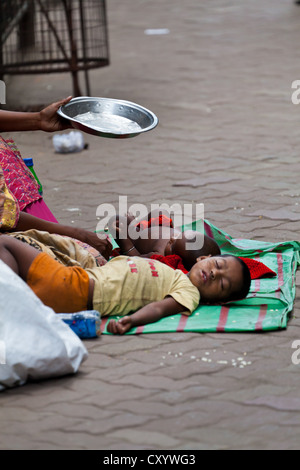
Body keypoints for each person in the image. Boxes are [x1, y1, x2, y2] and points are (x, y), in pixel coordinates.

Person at [0, 235, 251, 335]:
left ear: (217, 300)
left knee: (6, 243)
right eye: (217, 266)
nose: (215, 275)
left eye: (222, 284)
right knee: (16, 253)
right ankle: (16, 302)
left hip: (75, 287)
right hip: (74, 281)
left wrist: (133, 320)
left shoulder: (187, 293)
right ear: (204, 259)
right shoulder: (173, 271)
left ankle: (10, 301)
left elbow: (160, 309)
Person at [0, 97, 112, 261]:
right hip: (12, 233)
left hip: (21, 221)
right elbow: (4, 212)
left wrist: (39, 120)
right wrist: (75, 233)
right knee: (91, 261)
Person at [109, 210, 221, 272]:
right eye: (179, 235)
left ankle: (132, 228)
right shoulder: (179, 240)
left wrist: (126, 244)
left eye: (172, 245)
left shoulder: (159, 257)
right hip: (156, 227)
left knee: (116, 220)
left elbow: (136, 258)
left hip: (135, 238)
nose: (173, 238)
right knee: (160, 212)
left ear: (175, 258)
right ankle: (136, 224)